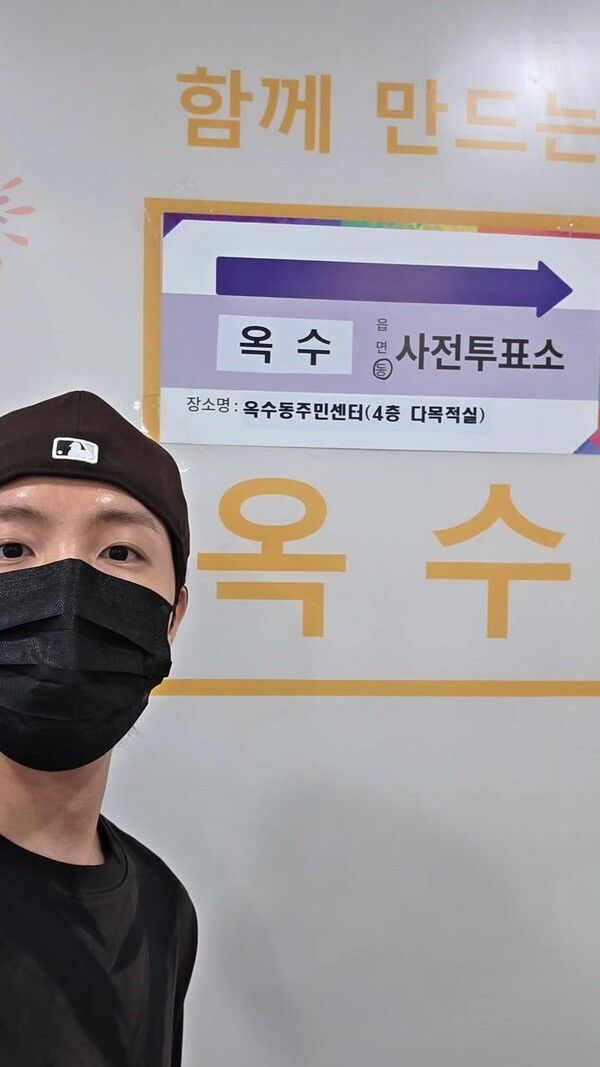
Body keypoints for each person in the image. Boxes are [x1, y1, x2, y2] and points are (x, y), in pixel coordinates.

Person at [0, 390, 197, 1067]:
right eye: (12, 547)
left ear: (172, 618)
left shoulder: (161, 908)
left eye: (119, 552)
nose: (67, 591)